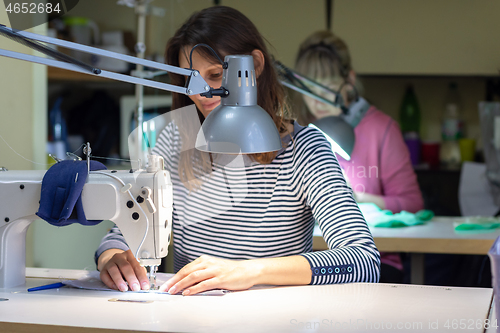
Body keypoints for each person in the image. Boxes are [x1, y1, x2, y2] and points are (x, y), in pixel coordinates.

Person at [95, 6, 380, 295]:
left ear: (254, 66)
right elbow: (125, 231)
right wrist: (112, 256)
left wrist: (251, 270)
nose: (202, 92)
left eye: (216, 74)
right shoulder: (175, 141)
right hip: (189, 318)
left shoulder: (305, 151)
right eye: (190, 79)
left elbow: (363, 261)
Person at [295, 30, 424, 283]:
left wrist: (357, 199)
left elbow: (412, 203)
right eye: (309, 89)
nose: (318, 100)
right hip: (310, 263)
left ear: (349, 81)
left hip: (375, 262)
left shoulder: (381, 129)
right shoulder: (298, 132)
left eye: (328, 88)